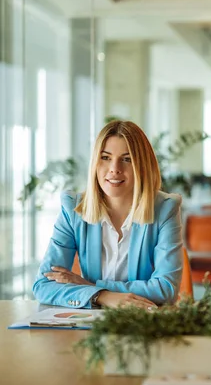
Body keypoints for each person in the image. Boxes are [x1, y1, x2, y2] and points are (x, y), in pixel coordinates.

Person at [32, 120, 183, 310]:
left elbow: (166, 289)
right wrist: (101, 296)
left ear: (142, 166)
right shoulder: (73, 209)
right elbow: (43, 286)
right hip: (87, 325)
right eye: (105, 157)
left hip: (144, 322)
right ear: (95, 163)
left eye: (127, 159)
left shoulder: (165, 209)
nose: (114, 168)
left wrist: (90, 286)